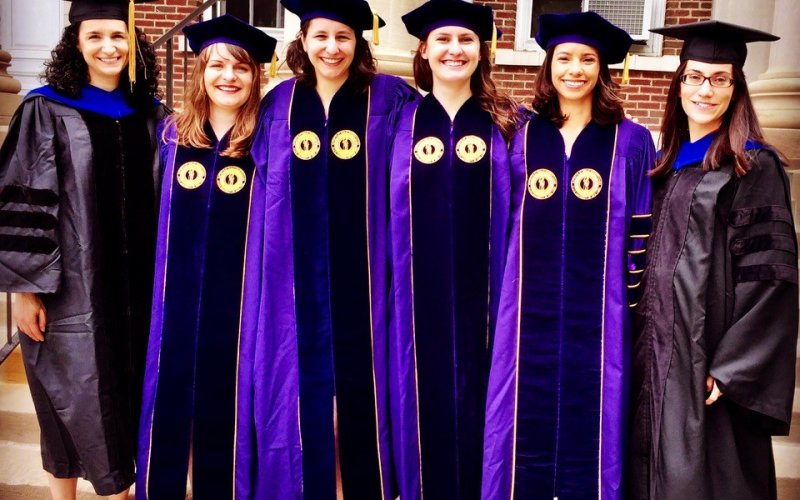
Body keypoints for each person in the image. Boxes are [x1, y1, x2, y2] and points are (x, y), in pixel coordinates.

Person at [235, 0, 417, 498]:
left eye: (343, 36)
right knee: (300, 399)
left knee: (363, 400)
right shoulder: (279, 104)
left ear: (359, 41)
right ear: (304, 41)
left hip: (369, 281)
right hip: (294, 284)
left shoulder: (393, 98)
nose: (331, 47)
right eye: (321, 36)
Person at [481, 11, 656, 500]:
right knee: (517, 417)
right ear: (548, 66)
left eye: (587, 59)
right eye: (564, 58)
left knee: (594, 417)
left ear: (603, 69)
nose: (574, 69)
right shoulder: (520, 133)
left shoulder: (631, 140)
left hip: (602, 317)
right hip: (523, 312)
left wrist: (632, 306)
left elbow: (641, 230)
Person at [0, 0, 165, 497]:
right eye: (95, 36)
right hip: (71, 291)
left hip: (141, 291)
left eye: (118, 36)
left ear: (134, 43)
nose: (108, 47)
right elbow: (21, 196)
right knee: (66, 402)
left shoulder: (155, 115)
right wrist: (26, 291)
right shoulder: (43, 108)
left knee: (132, 397)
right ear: (76, 43)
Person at [629, 20, 798, 500]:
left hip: (706, 364)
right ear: (678, 83)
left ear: (736, 87)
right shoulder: (663, 163)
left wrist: (732, 368)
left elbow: (771, 279)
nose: (705, 89)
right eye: (695, 76)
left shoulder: (752, 165)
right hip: (652, 350)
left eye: (719, 78)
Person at [134, 14, 276, 499]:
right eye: (217, 65)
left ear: (256, 75)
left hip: (240, 311)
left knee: (228, 407)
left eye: (240, 67)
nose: (228, 77)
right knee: (168, 400)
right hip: (171, 305)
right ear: (200, 72)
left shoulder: (268, 140)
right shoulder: (170, 137)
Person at [389, 1, 519, 498]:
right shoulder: (397, 123)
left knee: (481, 403)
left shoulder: (510, 124)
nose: (454, 50)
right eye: (442, 40)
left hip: (489, 305)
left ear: (481, 51)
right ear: (424, 49)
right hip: (412, 302)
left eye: (465, 40)